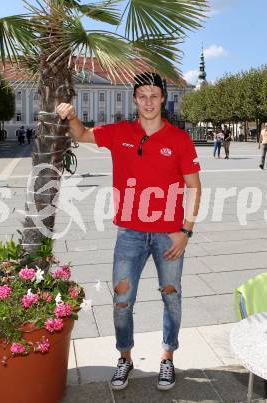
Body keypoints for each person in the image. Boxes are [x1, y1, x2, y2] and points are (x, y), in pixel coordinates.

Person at [56, 72, 201, 392]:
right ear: (135, 100)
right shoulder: (120, 131)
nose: (148, 102)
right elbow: (81, 135)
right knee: (122, 299)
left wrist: (185, 231)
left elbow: (194, 187)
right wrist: (71, 115)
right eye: (142, 96)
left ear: (163, 99)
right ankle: (125, 357)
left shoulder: (179, 139)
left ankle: (167, 358)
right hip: (130, 233)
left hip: (168, 233)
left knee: (171, 297)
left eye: (154, 96)